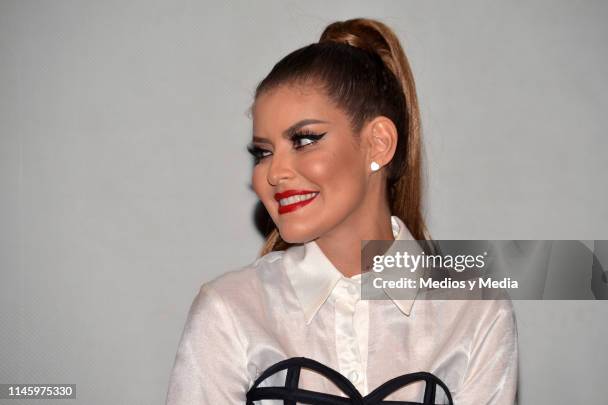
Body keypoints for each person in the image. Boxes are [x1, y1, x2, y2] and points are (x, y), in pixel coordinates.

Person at [165, 18, 518, 404]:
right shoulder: (229, 311)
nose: (275, 172)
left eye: (305, 140)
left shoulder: (475, 313)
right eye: (264, 153)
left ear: (378, 144)